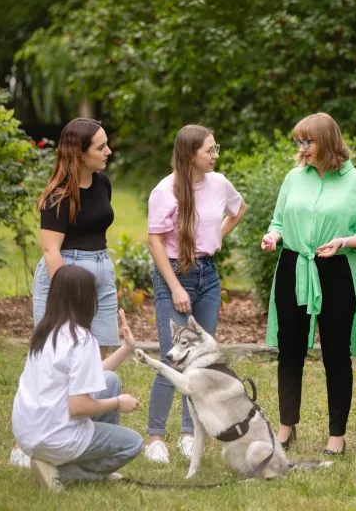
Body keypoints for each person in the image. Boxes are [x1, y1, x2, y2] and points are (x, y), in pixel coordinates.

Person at [261, 112, 356, 455]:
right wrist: (273, 236)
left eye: (308, 141)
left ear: (327, 141)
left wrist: (344, 242)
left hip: (335, 270)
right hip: (293, 265)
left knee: (336, 355)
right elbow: (278, 221)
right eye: (299, 141)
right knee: (290, 351)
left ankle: (336, 437)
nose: (303, 148)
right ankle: (286, 428)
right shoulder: (294, 178)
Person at [10, 118, 119, 468]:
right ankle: (22, 444)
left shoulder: (102, 183)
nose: (108, 151)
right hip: (66, 275)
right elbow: (50, 251)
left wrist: (99, 274)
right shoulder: (58, 195)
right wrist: (70, 293)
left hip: (100, 271)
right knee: (51, 358)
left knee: (95, 360)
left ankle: (81, 438)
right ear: (79, 152)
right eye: (101, 147)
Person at [143, 125, 246, 463]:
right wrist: (174, 287)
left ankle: (189, 434)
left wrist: (214, 237)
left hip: (208, 275)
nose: (215, 156)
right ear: (190, 155)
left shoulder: (219, 183)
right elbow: (155, 241)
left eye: (216, 149)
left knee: (199, 360)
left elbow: (238, 210)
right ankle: (156, 437)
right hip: (177, 273)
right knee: (173, 357)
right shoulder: (165, 190)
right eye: (209, 151)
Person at [12, 265, 143, 491]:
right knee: (133, 444)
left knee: (109, 380)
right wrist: (118, 403)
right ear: (85, 299)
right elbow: (79, 406)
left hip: (28, 433)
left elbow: (88, 374)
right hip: (55, 436)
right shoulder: (81, 339)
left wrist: (126, 348)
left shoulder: (46, 330)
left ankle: (85, 462)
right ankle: (63, 474)